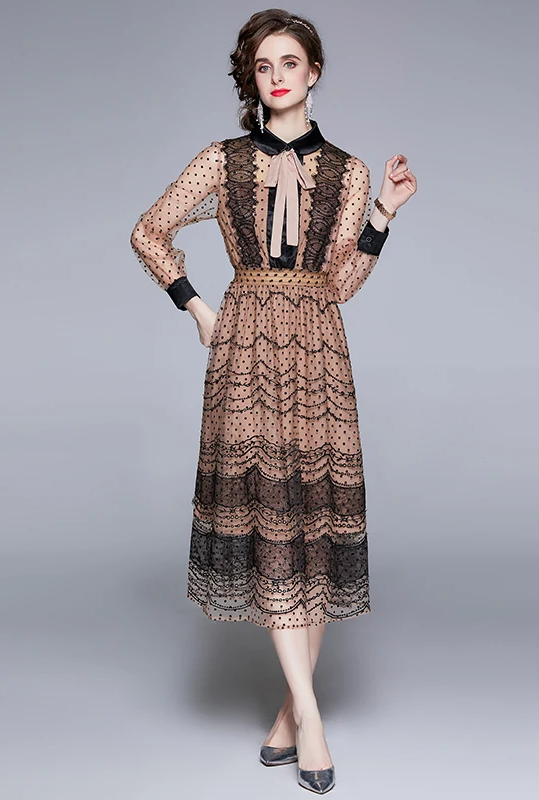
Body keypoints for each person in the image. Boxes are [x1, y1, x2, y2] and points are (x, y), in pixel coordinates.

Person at [130, 9, 416, 794]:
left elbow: (341, 284)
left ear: (314, 71)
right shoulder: (221, 161)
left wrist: (384, 215)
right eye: (263, 66)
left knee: (312, 523)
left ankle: (290, 713)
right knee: (271, 518)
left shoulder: (349, 172)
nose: (278, 76)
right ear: (251, 79)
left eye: (290, 62)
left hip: (320, 347)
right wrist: (197, 308)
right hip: (246, 346)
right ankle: (313, 718)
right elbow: (149, 231)